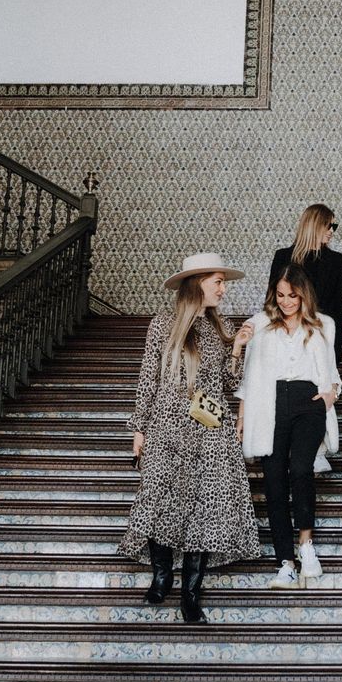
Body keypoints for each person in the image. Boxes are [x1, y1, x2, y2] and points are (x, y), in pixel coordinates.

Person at [119, 253, 261, 624]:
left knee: (203, 508)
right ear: (197, 282)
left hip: (209, 428)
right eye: (218, 281)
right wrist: (139, 428)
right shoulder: (162, 325)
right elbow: (148, 379)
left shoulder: (221, 326)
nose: (223, 288)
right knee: (159, 499)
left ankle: (191, 594)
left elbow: (232, 384)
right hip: (166, 425)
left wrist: (237, 347)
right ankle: (162, 575)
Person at [234, 265, 342, 590]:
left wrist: (326, 399)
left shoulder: (323, 325)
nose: (286, 302)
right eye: (280, 295)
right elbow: (248, 377)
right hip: (269, 403)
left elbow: (333, 375)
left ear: (302, 293)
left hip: (307, 402)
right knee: (275, 481)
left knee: (300, 469)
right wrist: (242, 416)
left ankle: (306, 545)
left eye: (292, 295)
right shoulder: (262, 325)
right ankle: (286, 562)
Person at [269, 204, 342, 366]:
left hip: (321, 337)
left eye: (334, 226)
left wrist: (336, 347)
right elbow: (272, 300)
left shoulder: (335, 260)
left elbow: (338, 306)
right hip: (288, 337)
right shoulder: (283, 257)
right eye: (329, 226)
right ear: (314, 225)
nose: (332, 231)